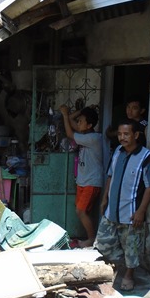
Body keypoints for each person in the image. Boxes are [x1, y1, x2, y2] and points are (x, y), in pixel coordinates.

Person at [95, 118, 150, 291]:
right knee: (103, 243)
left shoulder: (146, 157)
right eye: (120, 134)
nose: (122, 137)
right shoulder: (117, 151)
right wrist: (104, 199)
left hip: (131, 213)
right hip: (111, 210)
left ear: (136, 135)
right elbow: (110, 175)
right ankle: (114, 268)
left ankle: (129, 275)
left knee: (131, 247)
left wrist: (141, 211)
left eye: (126, 134)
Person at [59, 105, 104, 248]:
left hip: (92, 181)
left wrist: (65, 115)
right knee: (82, 211)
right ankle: (90, 237)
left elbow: (70, 134)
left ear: (89, 125)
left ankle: (91, 239)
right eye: (78, 121)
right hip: (83, 181)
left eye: (81, 121)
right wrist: (82, 111)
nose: (78, 123)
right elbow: (72, 121)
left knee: (81, 211)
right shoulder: (86, 135)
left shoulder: (93, 138)